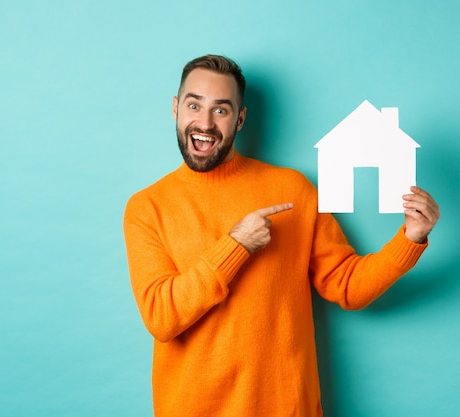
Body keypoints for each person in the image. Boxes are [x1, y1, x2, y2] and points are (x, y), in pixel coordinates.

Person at [123, 54, 440, 417]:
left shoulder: (292, 189)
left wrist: (410, 240)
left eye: (221, 110)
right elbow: (162, 318)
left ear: (240, 119)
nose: (205, 123)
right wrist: (236, 246)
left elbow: (348, 286)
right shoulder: (147, 207)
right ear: (176, 108)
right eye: (194, 105)